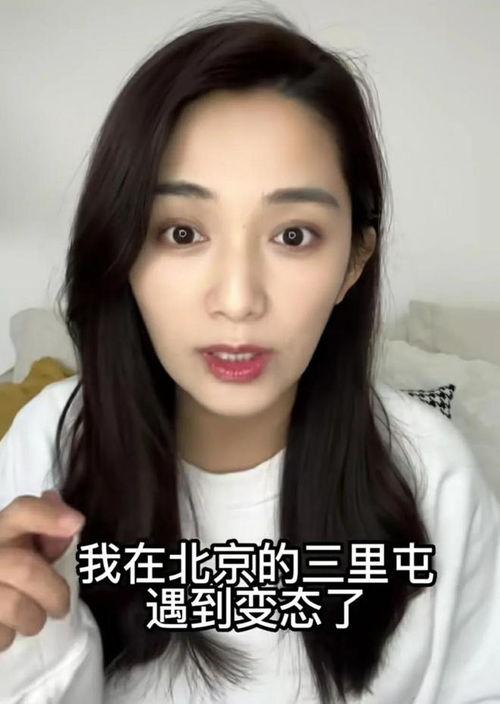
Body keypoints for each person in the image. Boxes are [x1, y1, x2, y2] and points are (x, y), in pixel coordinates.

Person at [0, 9, 499, 704]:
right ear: (123, 249)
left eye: (293, 236)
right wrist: (30, 643)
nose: (237, 300)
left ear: (354, 262)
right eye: (181, 232)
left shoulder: (430, 473)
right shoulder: (51, 443)